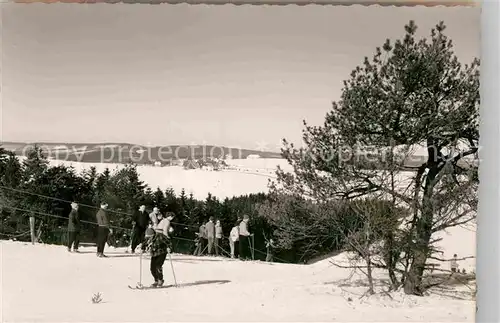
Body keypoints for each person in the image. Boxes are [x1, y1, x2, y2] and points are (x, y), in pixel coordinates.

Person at [145, 213, 174, 287]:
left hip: (162, 251)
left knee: (158, 266)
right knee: (152, 268)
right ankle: (156, 280)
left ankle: (160, 280)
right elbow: (146, 242)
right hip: (154, 252)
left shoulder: (161, 236)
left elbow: (166, 237)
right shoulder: (153, 235)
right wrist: (142, 246)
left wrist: (169, 247)